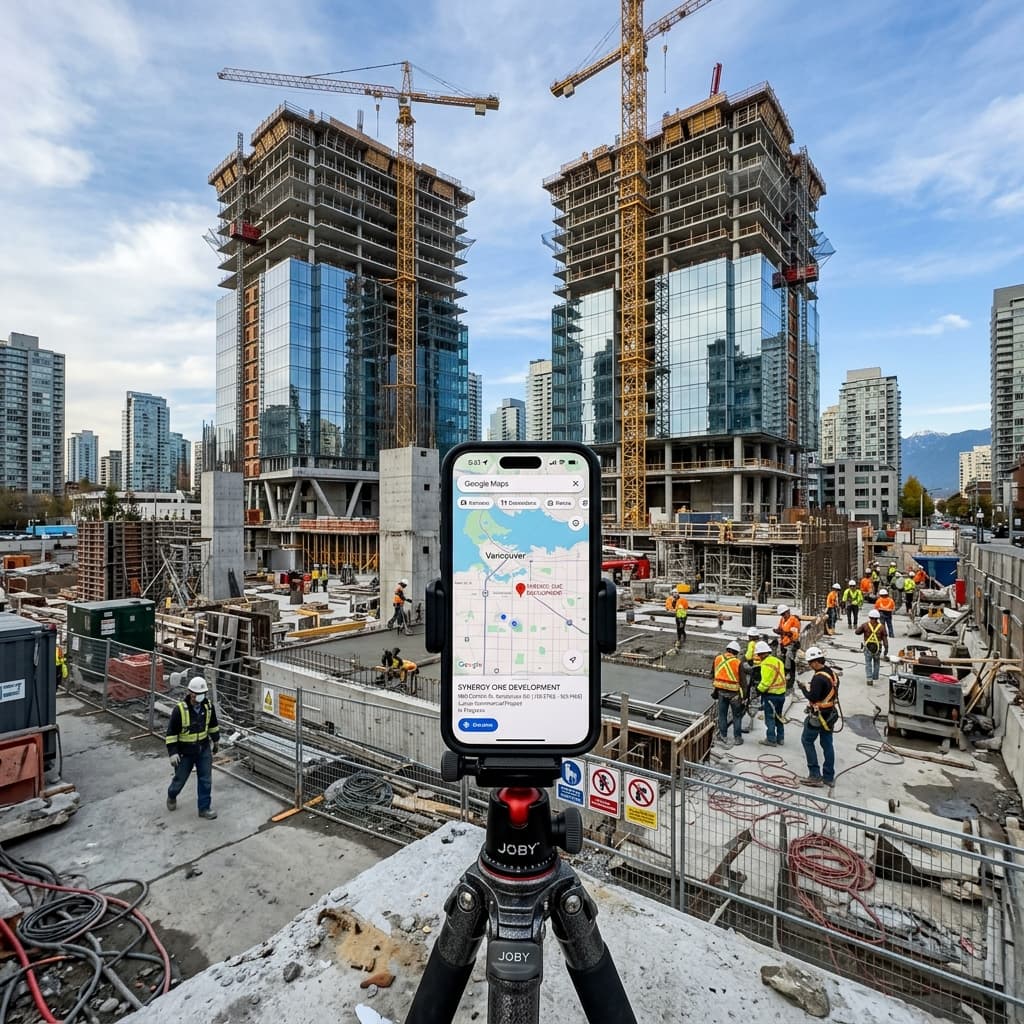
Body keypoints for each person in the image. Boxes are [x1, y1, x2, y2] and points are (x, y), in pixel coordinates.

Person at [165, 677, 220, 819]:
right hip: (185, 753)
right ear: (190, 693)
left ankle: (204, 809)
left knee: (205, 780)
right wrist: (173, 753)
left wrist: (216, 741)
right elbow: (171, 733)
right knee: (180, 779)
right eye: (196, 693)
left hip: (203, 749)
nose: (199, 696)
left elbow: (213, 725)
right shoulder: (180, 710)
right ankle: (172, 794)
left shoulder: (208, 707)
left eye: (202, 693)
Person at [799, 646, 839, 788]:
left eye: (810, 663)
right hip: (830, 715)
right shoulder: (832, 674)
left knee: (807, 740)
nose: (810, 666)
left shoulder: (818, 678)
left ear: (815, 662)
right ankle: (828, 777)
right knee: (827, 744)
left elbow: (813, 697)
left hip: (818, 716)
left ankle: (814, 775)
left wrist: (803, 688)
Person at [754, 641, 787, 746]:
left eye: (758, 654)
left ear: (762, 654)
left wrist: (758, 690)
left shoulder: (765, 664)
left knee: (770, 718)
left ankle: (771, 739)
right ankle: (780, 738)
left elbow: (766, 681)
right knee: (779, 716)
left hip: (771, 695)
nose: (758, 657)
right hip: (781, 694)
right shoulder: (778, 661)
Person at [712, 640, 744, 746]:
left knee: (722, 715)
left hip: (721, 692)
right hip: (734, 694)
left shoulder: (718, 658)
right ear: (736, 652)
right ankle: (738, 738)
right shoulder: (738, 663)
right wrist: (744, 696)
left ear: (727, 649)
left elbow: (713, 674)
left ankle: (723, 736)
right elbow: (743, 682)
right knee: (737, 716)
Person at [855, 609, 889, 685]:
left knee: (868, 663)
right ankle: (875, 676)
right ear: (878, 618)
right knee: (877, 662)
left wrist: (863, 629)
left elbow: (857, 632)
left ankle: (869, 679)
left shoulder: (865, 625)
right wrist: (886, 650)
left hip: (868, 647)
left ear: (869, 617)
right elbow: (885, 640)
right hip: (878, 647)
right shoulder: (882, 627)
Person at [774, 603, 801, 688]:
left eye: (784, 614)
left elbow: (794, 635)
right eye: (782, 614)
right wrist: (777, 630)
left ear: (788, 612)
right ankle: (780, 671)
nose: (783, 616)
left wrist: (783, 633)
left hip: (791, 642)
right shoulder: (782, 619)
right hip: (783, 641)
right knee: (779, 655)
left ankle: (788, 672)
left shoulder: (794, 621)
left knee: (789, 655)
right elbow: (780, 628)